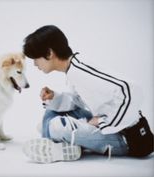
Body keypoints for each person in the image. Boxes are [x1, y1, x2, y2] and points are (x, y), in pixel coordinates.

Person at [22, 25, 154, 163]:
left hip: (129, 138)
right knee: (51, 113)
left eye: (35, 58)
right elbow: (79, 101)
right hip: (109, 125)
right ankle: (62, 141)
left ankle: (58, 145)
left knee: (54, 126)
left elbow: (130, 90)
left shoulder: (81, 70)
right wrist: (55, 98)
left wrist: (102, 122)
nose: (35, 64)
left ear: (49, 53)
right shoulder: (73, 69)